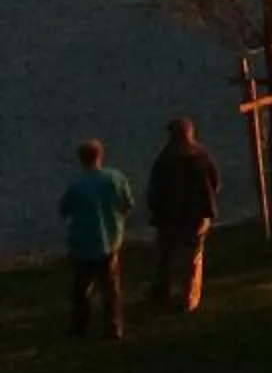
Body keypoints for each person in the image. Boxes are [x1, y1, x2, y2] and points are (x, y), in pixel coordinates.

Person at [59, 139, 133, 341]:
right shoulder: (115, 178)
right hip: (110, 240)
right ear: (101, 155)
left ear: (81, 159)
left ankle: (79, 327)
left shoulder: (77, 184)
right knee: (110, 288)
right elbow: (127, 205)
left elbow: (65, 209)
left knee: (81, 288)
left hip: (83, 243)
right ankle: (113, 327)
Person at [145, 119, 219, 314]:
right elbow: (215, 182)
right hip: (197, 215)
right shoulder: (202, 156)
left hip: (169, 216)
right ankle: (189, 299)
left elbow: (155, 190)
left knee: (164, 255)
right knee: (192, 258)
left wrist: (155, 209)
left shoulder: (164, 160)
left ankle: (162, 293)